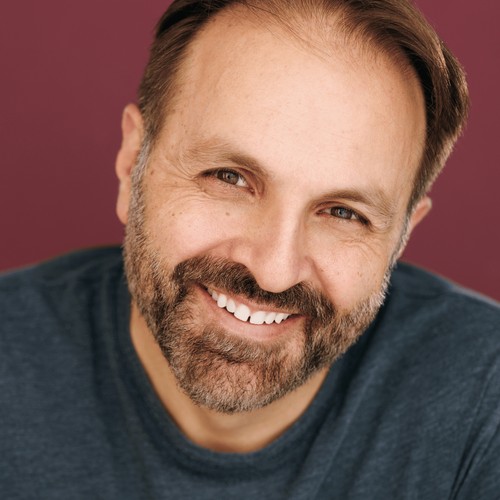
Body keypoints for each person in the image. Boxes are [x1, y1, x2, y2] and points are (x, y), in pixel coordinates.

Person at [1, 0, 499, 498]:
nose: (273, 272)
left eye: (343, 213)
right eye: (229, 177)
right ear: (133, 164)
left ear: (401, 238)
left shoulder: (485, 400)